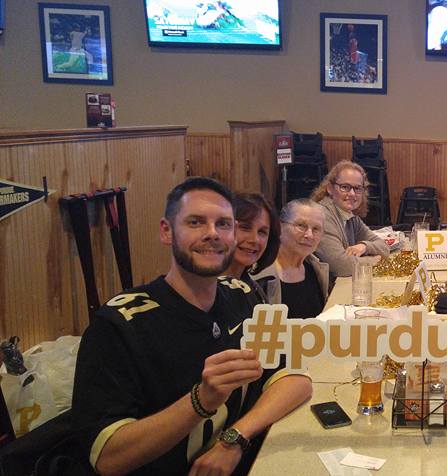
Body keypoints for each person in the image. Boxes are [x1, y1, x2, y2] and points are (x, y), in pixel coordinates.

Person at [71, 177, 312, 475]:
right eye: (196, 222)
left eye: (224, 224)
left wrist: (233, 440)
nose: (212, 233)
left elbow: (295, 380)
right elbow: (107, 457)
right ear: (167, 231)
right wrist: (201, 401)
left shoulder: (243, 294)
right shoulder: (119, 323)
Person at [252, 199, 330, 319]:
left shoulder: (317, 269)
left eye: (316, 229)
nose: (309, 235)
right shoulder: (259, 277)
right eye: (301, 226)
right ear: (280, 227)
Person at [311, 160, 389, 279]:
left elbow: (384, 247)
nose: (352, 193)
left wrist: (364, 246)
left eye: (357, 188)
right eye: (345, 187)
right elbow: (341, 266)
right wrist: (375, 260)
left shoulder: (350, 216)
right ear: (330, 188)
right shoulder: (321, 216)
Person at [223, 192, 280, 306]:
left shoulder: (255, 290)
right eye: (245, 227)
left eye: (262, 232)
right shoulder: (204, 290)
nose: (254, 239)